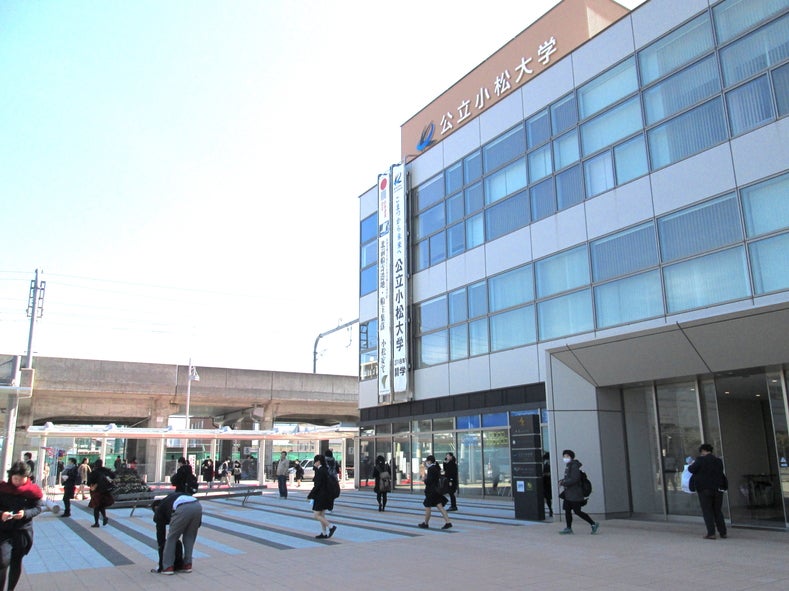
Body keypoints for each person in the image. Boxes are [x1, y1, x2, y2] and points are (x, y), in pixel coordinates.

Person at [0, 461, 44, 591]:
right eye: (15, 479)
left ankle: (11, 589)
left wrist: (25, 513)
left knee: (16, 561)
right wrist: (2, 514)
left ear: (27, 477)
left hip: (22, 531)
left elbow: (38, 508)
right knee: (2, 561)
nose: (18, 482)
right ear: (10, 477)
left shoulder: (33, 491)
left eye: (21, 479)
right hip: (4, 531)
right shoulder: (3, 489)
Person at [155, 491, 202, 575]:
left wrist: (161, 547)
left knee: (172, 538)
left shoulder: (160, 509)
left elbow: (160, 533)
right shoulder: (170, 499)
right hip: (197, 505)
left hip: (182, 507)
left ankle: (168, 567)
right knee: (190, 537)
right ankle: (187, 565)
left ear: (155, 508)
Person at [687, 443, 728, 540]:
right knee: (717, 511)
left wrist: (692, 464)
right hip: (718, 489)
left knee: (707, 511)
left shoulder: (700, 460)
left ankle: (711, 533)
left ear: (703, 451)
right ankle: (723, 532)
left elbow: (691, 469)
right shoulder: (718, 461)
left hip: (704, 489)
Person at [558, 449, 599, 535]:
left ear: (571, 457)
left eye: (567, 456)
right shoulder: (569, 465)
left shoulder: (574, 466)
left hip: (574, 493)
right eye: (564, 456)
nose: (565, 458)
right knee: (567, 510)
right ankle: (568, 528)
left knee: (577, 511)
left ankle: (593, 523)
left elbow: (574, 479)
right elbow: (570, 478)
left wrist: (564, 482)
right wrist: (563, 481)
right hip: (568, 493)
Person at [418, 455, 452, 530]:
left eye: (427, 461)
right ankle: (448, 522)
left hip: (431, 492)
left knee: (428, 507)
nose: (426, 463)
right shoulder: (436, 468)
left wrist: (424, 479)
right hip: (436, 491)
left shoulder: (431, 469)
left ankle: (426, 523)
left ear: (429, 461)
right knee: (440, 507)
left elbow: (429, 481)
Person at [307, 454, 337, 539]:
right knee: (322, 515)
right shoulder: (325, 469)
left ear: (318, 462)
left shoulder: (320, 471)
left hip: (320, 496)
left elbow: (317, 485)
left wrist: (310, 495)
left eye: (315, 461)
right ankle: (324, 533)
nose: (314, 463)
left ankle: (331, 527)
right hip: (326, 495)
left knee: (316, 515)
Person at [87, 459, 116, 527]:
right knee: (101, 505)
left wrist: (92, 485)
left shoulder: (94, 472)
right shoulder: (106, 470)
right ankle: (104, 517)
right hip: (105, 491)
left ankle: (97, 522)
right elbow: (113, 476)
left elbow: (89, 482)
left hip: (97, 491)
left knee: (96, 507)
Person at [543, 452, 553, 517]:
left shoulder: (550, 464)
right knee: (548, 498)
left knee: (548, 498)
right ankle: (550, 510)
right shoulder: (545, 464)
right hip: (546, 483)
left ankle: (551, 510)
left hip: (548, 483)